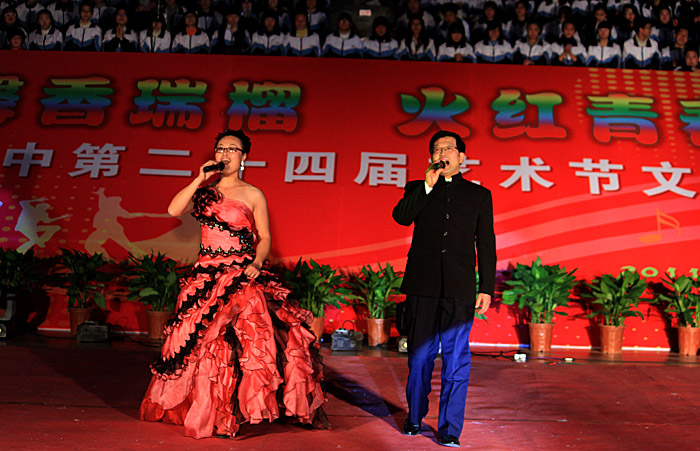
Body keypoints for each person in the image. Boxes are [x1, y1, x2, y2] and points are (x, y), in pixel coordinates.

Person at [140, 129, 330, 439]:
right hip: (204, 277)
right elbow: (174, 210)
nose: (225, 153)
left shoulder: (253, 193)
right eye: (220, 148)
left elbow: (264, 237)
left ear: (244, 157)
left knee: (237, 344)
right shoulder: (204, 192)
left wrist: (256, 263)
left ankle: (232, 410)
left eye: (232, 149)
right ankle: (203, 408)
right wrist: (198, 179)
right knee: (199, 345)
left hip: (241, 275)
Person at [392, 130, 496, 449]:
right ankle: (415, 416)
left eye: (449, 148)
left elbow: (486, 244)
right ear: (431, 157)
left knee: (456, 360)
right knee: (419, 357)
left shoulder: (479, 195)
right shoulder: (417, 188)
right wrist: (427, 186)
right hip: (422, 285)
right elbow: (401, 217)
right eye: (438, 149)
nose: (443, 153)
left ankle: (450, 428)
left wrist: (486, 287)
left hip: (459, 287)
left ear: (461, 157)